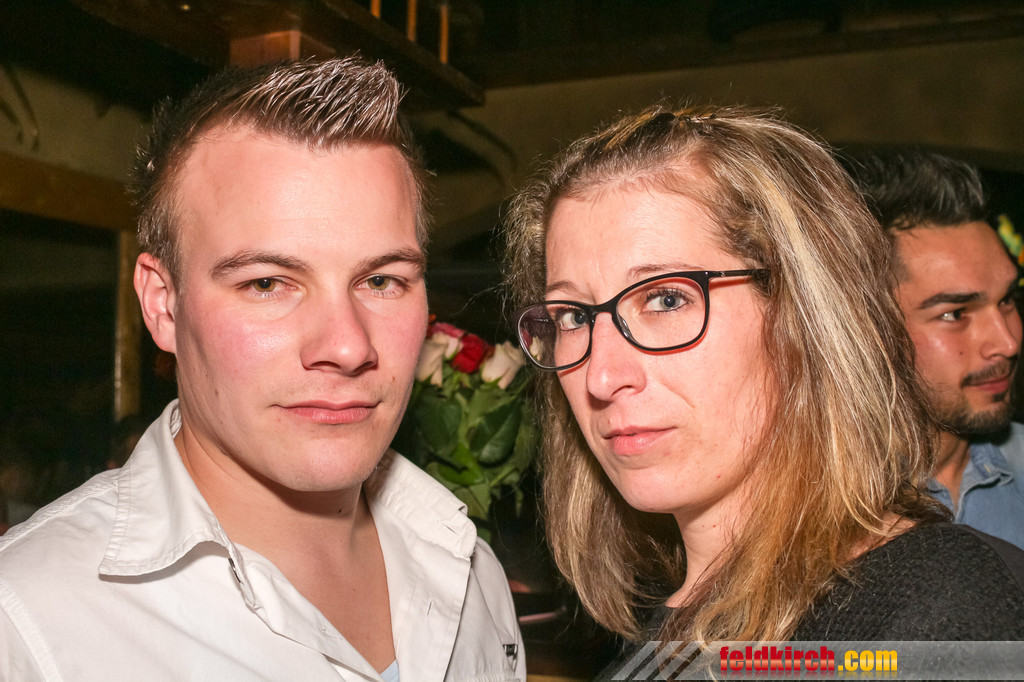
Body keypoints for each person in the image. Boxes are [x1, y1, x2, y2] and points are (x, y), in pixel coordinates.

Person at [0, 57, 524, 681]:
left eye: (381, 280)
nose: (347, 346)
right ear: (163, 305)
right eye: (268, 283)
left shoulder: (471, 572)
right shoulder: (29, 626)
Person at [503, 105, 1024, 665]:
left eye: (667, 299)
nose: (602, 377)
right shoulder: (677, 618)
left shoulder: (931, 616)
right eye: (573, 316)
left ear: (805, 313)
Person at [850, 151, 1024, 550]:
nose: (1008, 342)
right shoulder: (800, 508)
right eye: (955, 314)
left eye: (1007, 300)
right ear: (866, 328)